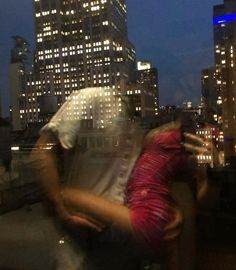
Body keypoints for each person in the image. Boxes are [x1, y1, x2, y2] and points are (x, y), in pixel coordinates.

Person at [32, 88, 212, 269]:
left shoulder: (136, 124)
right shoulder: (93, 98)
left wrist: (170, 207)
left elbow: (144, 177)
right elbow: (43, 152)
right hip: (78, 242)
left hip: (121, 244)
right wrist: (61, 211)